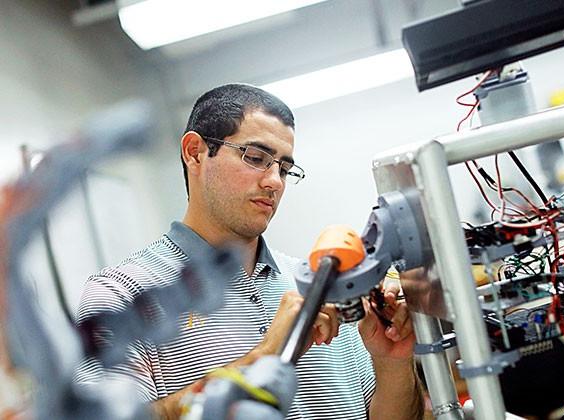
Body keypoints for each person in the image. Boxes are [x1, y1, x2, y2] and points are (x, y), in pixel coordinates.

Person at [75, 84, 423, 419]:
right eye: (256, 157)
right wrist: (264, 357)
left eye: (285, 169)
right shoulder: (121, 293)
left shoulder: (319, 283)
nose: (274, 181)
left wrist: (392, 361)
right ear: (195, 152)